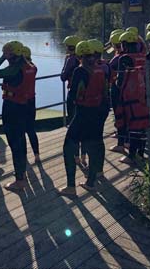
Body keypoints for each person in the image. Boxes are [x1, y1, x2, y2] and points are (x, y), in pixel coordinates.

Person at [57, 40, 110, 196]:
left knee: (69, 147)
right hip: (97, 112)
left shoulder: (81, 71)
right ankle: (91, 181)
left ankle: (70, 186)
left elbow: (73, 95)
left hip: (83, 113)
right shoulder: (101, 68)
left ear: (79, 55)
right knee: (94, 145)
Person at [0, 41, 33, 192]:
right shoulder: (29, 66)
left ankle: (19, 180)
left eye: (7, 54)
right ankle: (22, 172)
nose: (6, 57)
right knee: (21, 141)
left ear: (11, 54)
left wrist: (2, 58)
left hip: (12, 107)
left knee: (14, 144)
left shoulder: (13, 69)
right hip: (25, 106)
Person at [112, 31, 149, 164]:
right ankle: (141, 153)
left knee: (132, 125)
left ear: (124, 44)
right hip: (143, 94)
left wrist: (115, 82)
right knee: (142, 124)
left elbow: (121, 81)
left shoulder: (125, 58)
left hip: (129, 96)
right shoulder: (143, 56)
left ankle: (131, 156)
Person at [60, 35, 86, 165]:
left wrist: (66, 63)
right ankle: (84, 156)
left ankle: (75, 156)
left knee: (73, 125)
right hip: (86, 96)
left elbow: (63, 77)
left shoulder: (71, 60)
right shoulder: (86, 59)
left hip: (74, 95)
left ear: (70, 47)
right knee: (84, 126)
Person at [107, 31, 127, 154]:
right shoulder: (128, 55)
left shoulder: (119, 58)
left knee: (119, 115)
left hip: (118, 90)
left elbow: (110, 70)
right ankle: (126, 139)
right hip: (127, 90)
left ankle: (121, 144)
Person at [21, 45, 39, 162]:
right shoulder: (34, 68)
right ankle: (37, 154)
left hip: (21, 101)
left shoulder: (18, 69)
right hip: (32, 100)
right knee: (31, 129)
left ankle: (24, 156)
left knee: (21, 131)